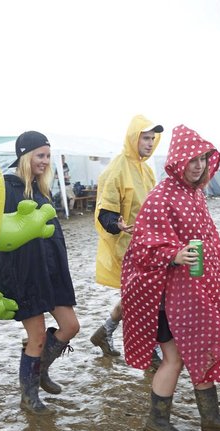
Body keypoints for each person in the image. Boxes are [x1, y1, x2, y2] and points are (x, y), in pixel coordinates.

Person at [121, 124, 220, 431]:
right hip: (165, 297)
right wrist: (174, 255)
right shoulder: (161, 196)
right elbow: (143, 246)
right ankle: (157, 420)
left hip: (195, 293)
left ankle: (211, 417)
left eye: (203, 158)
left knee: (202, 350)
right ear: (178, 160)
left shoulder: (196, 194)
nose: (199, 165)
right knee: (174, 359)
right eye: (192, 159)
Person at [0, 131, 79, 414]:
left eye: (48, 156)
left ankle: (39, 371)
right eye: (40, 155)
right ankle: (29, 398)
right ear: (25, 156)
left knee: (70, 326)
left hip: (50, 271)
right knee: (37, 336)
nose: (45, 161)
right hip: (23, 273)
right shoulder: (5, 188)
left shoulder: (40, 189)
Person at [90, 115, 163, 357]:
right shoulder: (118, 168)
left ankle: (105, 330)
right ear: (134, 138)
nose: (150, 143)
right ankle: (152, 349)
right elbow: (105, 208)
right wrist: (115, 224)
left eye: (153, 138)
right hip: (127, 248)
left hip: (148, 246)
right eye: (145, 137)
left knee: (138, 295)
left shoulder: (146, 170)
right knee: (144, 297)